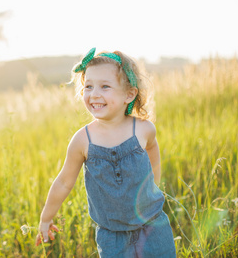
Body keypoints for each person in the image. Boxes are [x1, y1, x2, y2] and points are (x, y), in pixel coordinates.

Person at [35, 48, 176, 257]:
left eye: (105, 86)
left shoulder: (144, 129)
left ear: (129, 94)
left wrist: (154, 181)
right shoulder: (83, 140)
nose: (94, 94)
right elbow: (64, 181)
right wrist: (46, 217)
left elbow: (152, 148)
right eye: (88, 86)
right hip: (113, 237)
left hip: (153, 227)